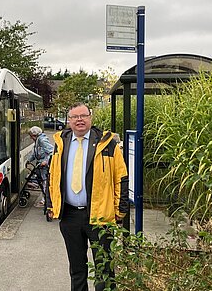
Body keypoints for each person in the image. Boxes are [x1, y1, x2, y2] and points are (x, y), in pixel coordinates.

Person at [47, 102, 128, 291]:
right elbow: (53, 176)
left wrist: (120, 210)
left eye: (83, 116)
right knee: (77, 269)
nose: (79, 120)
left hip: (100, 216)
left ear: (90, 118)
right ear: (69, 121)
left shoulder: (108, 144)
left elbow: (121, 178)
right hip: (70, 216)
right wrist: (52, 205)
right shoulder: (61, 143)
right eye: (75, 117)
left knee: (105, 269)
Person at [27, 126, 53, 208]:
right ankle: (45, 199)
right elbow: (35, 153)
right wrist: (29, 160)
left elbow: (51, 151)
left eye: (31, 136)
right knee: (42, 182)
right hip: (41, 165)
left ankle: (45, 200)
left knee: (45, 183)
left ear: (34, 135)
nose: (31, 138)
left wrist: (45, 161)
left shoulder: (42, 140)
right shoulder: (38, 140)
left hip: (44, 166)